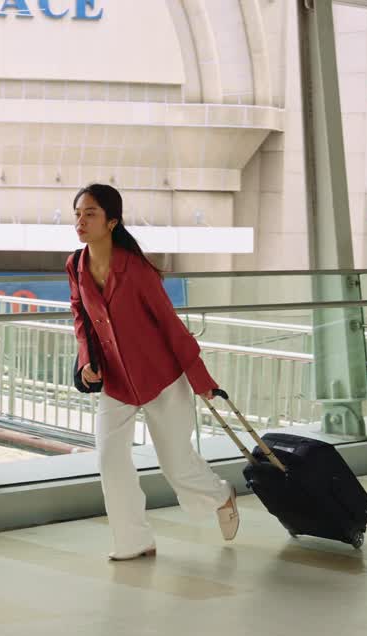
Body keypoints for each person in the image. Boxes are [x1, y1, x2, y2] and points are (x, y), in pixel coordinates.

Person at [67, 183, 240, 561]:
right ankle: (133, 541)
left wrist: (201, 380)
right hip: (115, 383)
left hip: (162, 378)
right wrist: (86, 362)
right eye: (77, 214)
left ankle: (221, 495)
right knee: (109, 460)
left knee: (176, 464)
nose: (80, 221)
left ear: (112, 222)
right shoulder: (75, 265)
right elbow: (82, 319)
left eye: (90, 214)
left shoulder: (137, 269)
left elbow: (170, 326)